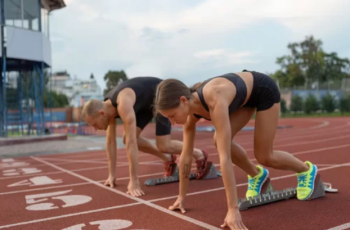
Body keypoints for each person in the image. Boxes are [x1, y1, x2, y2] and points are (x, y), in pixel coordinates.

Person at [153, 70, 317, 230]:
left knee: (265, 156)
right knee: (219, 140)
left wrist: (233, 210)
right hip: (242, 100)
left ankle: (306, 171)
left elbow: (224, 158)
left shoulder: (214, 97)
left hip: (262, 90)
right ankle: (257, 175)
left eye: (172, 116)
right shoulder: (189, 115)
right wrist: (181, 197)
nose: (173, 122)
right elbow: (186, 157)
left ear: (183, 100)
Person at [81, 76, 209, 197]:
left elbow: (132, 144)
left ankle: (199, 154)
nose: (96, 128)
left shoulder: (123, 104)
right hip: (143, 105)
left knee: (163, 145)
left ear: (101, 113)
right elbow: (110, 143)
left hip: (159, 97)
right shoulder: (108, 109)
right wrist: (111, 175)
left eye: (94, 124)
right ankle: (168, 158)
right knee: (126, 138)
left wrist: (134, 181)